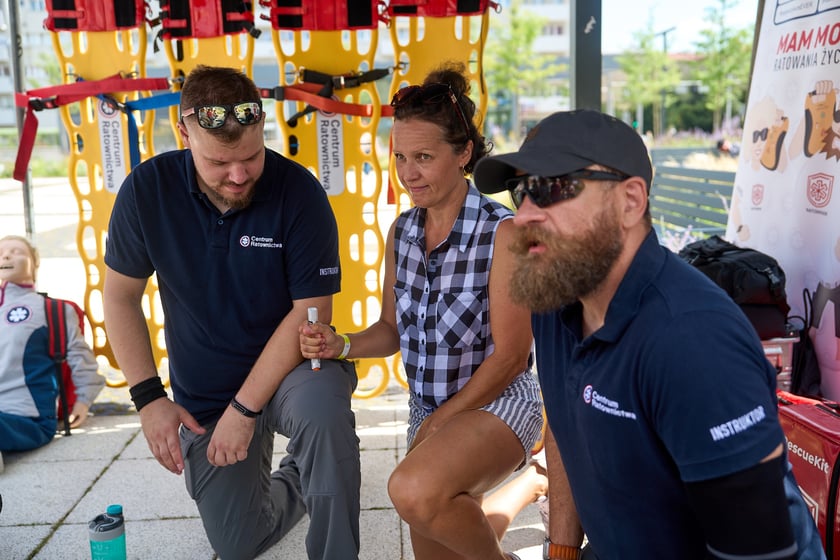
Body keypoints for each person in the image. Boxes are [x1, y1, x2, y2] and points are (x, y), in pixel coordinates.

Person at [472, 109, 825, 560]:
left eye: (550, 188)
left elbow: (757, 550)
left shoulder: (692, 342)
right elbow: (564, 427)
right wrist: (561, 548)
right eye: (520, 191)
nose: (522, 216)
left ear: (631, 201)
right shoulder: (557, 296)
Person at [102, 65, 360, 560]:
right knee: (238, 543)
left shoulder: (299, 192)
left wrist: (245, 411)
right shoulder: (146, 190)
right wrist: (148, 398)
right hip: (207, 391)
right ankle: (303, 478)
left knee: (323, 412)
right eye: (220, 161)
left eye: (251, 156)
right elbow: (119, 297)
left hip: (293, 370)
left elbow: (311, 312)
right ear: (183, 133)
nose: (239, 175)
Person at [299, 62, 543, 560]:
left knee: (410, 488)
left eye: (424, 157)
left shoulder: (504, 234)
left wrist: (441, 422)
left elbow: (512, 359)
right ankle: (526, 497)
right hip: (430, 413)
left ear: (464, 154)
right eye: (401, 157)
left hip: (498, 407)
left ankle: (523, 496)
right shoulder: (401, 234)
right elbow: (390, 330)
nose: (409, 172)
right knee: (438, 533)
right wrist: (340, 343)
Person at [1, 235, 104, 471]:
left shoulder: (55, 309)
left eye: (16, 251)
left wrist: (83, 401)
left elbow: (82, 359)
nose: (6, 256)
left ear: (35, 264)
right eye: (1, 253)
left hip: (28, 418)